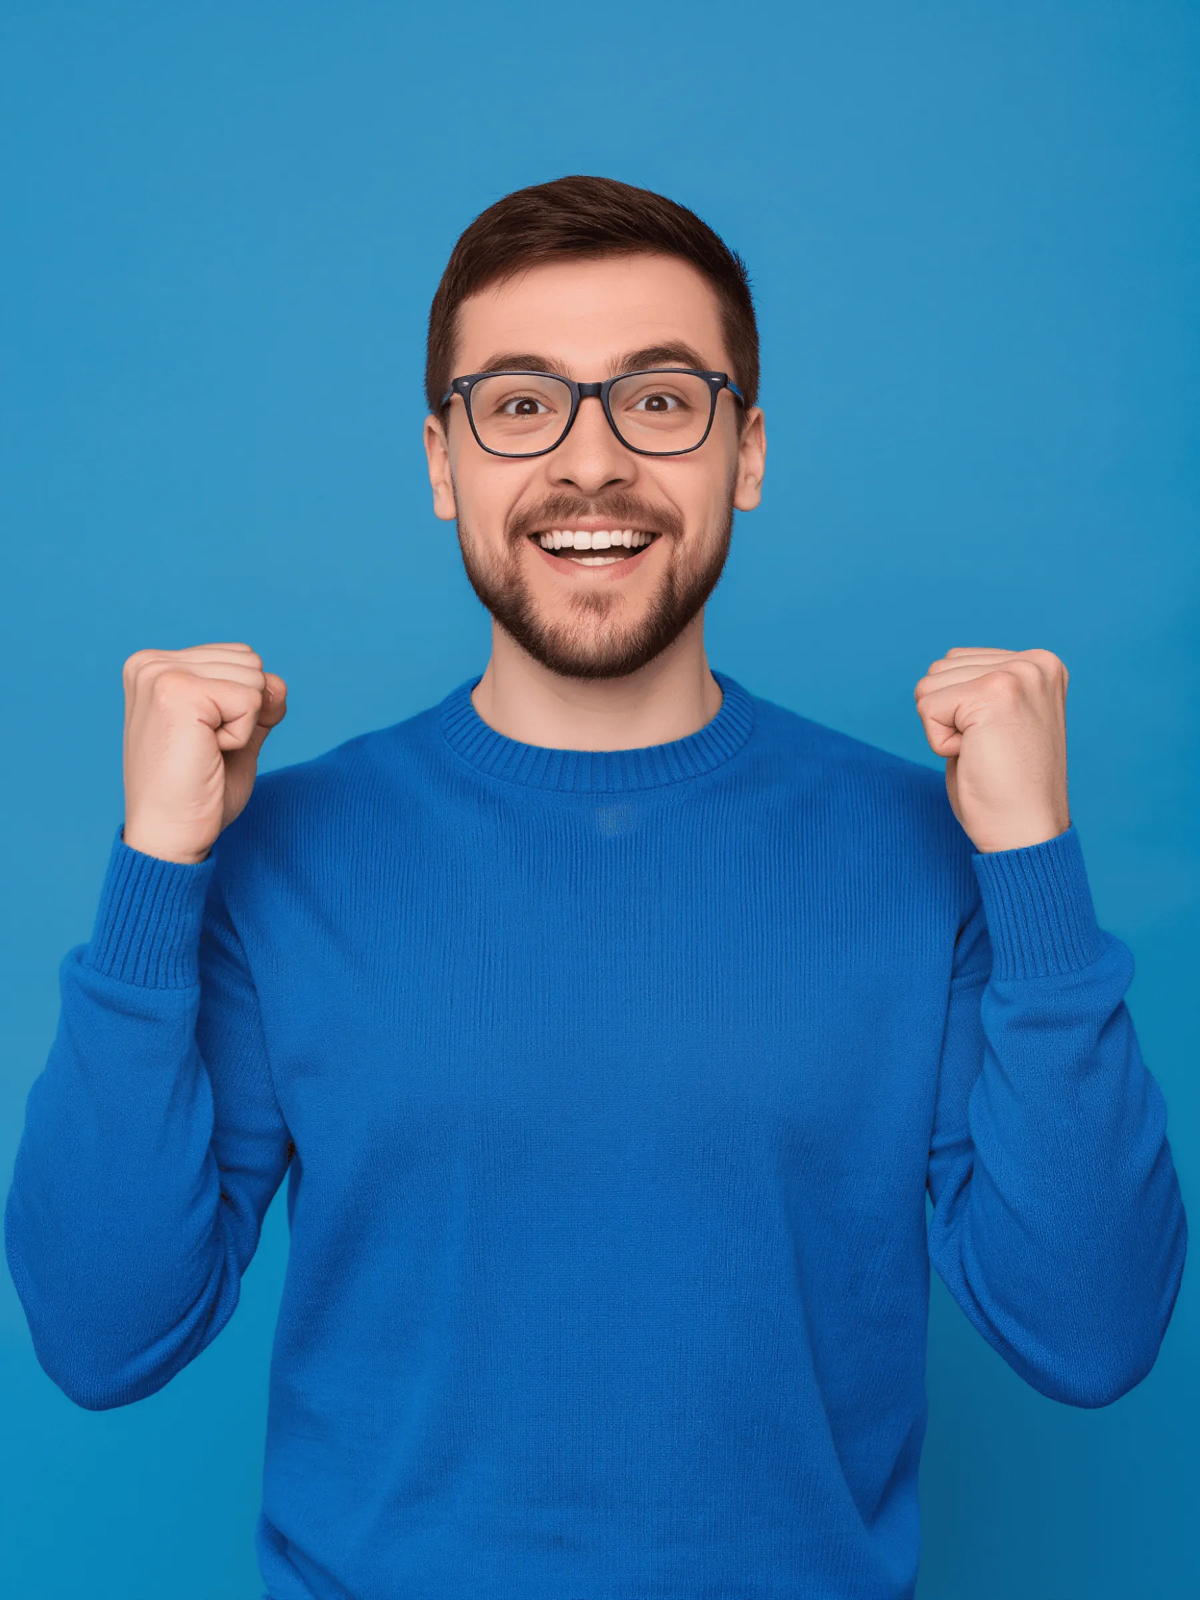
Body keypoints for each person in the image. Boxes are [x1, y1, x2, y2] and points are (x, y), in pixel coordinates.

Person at [5, 175, 1187, 1600]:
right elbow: (103, 1333)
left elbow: (1095, 1331)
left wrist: (1034, 869)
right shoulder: (283, 856)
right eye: (519, 404)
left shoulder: (924, 851)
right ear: (442, 462)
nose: (591, 462)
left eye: (660, 400)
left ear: (744, 449)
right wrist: (154, 872)